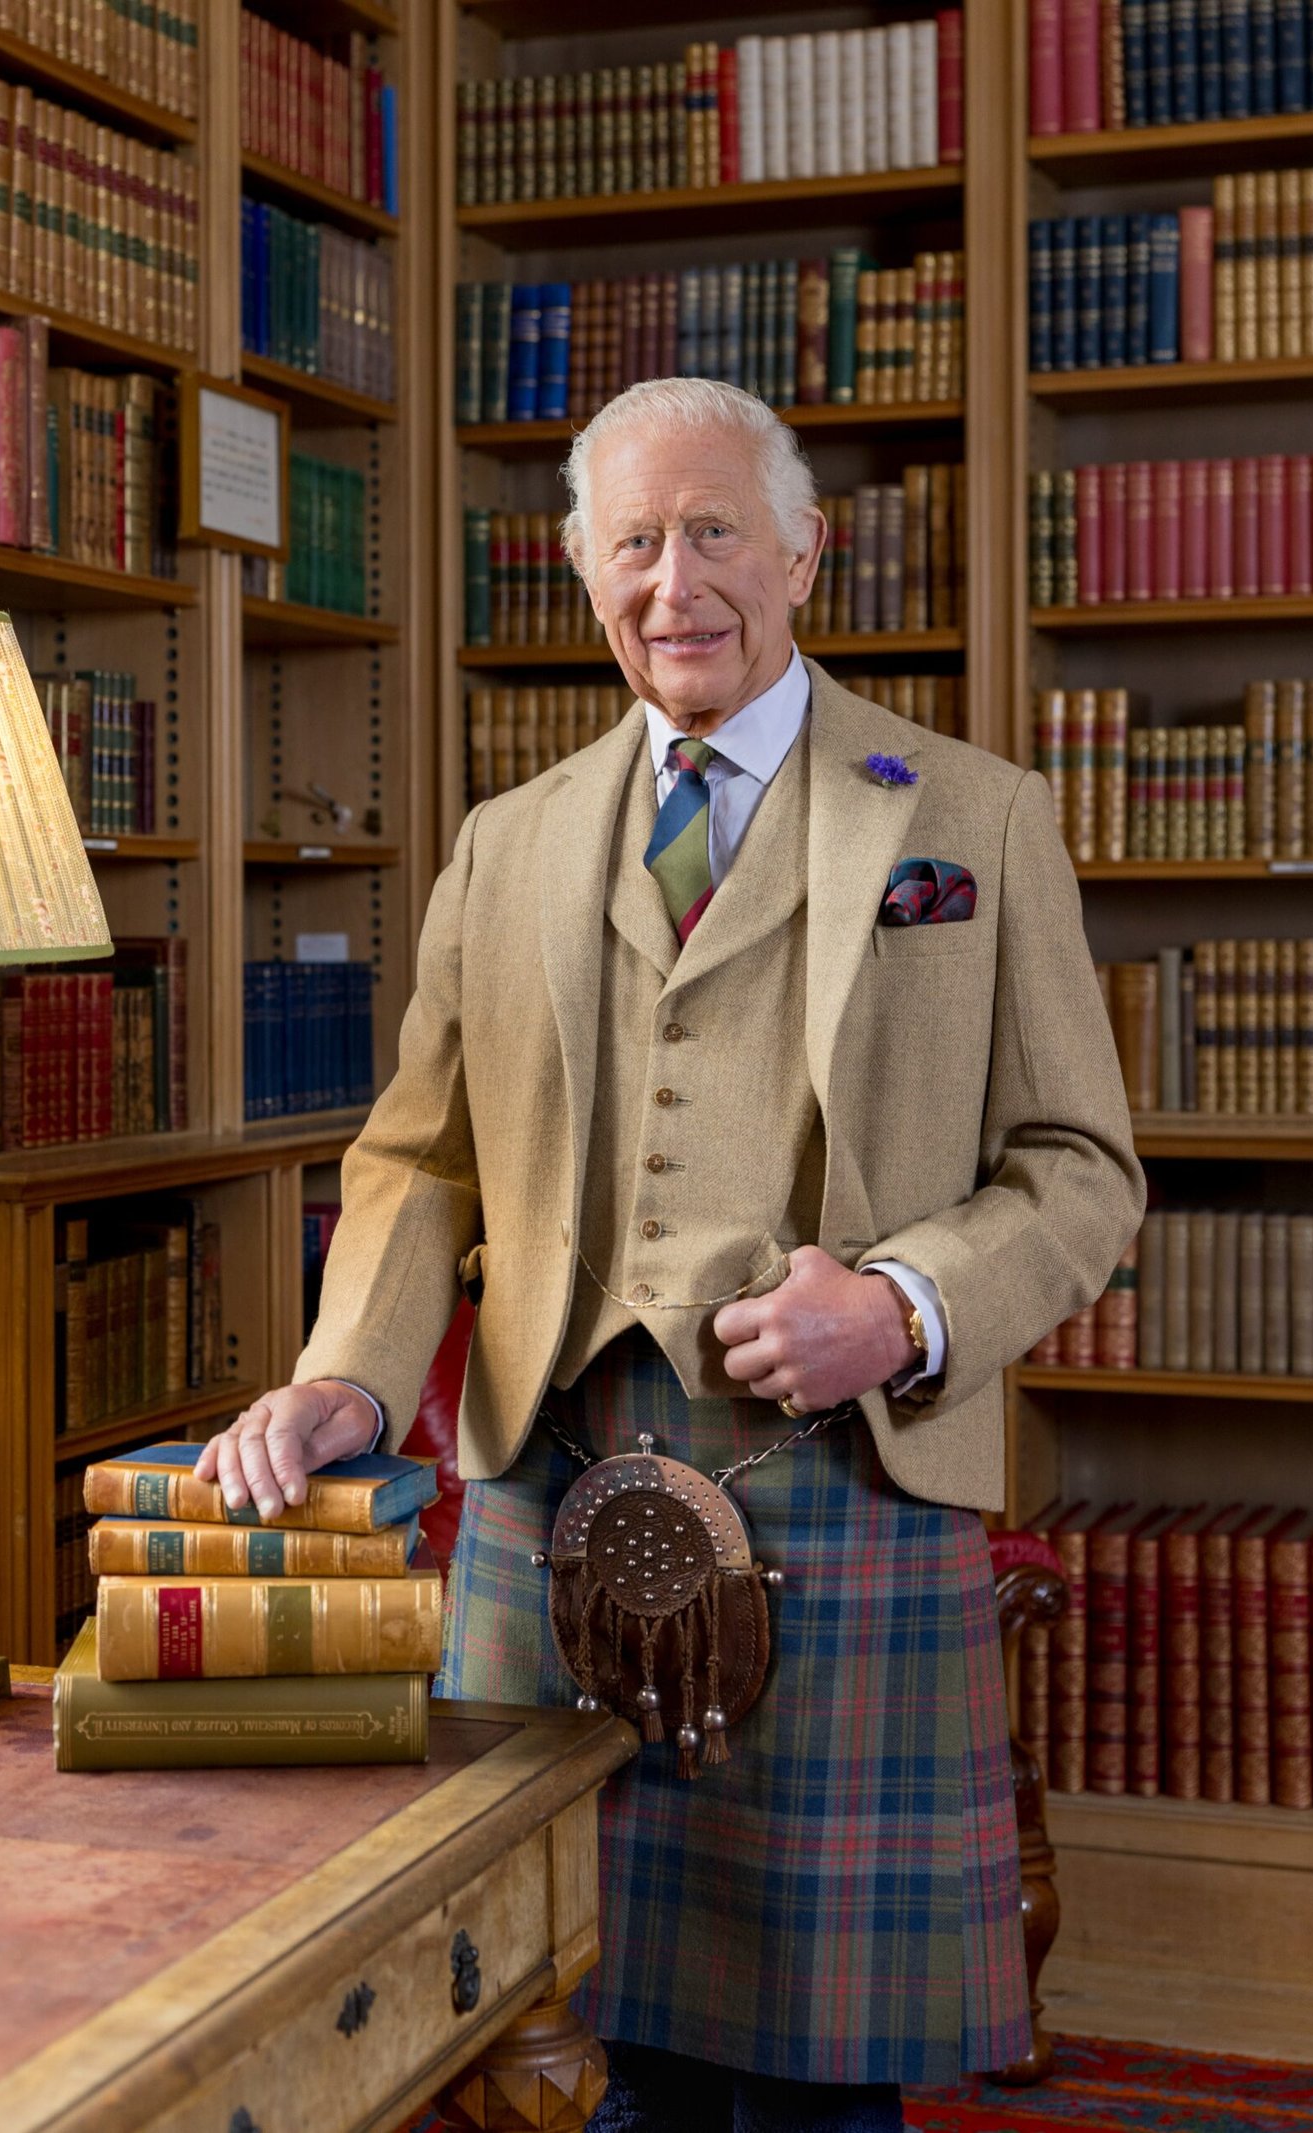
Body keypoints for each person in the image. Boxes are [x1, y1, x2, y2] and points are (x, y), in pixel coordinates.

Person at [195, 378, 1145, 2133]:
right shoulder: (508, 840)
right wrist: (347, 1375)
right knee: (528, 2039)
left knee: (809, 2091)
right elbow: (419, 1158)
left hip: (841, 1484)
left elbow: (1083, 1172)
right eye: (631, 540)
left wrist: (909, 1307)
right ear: (582, 571)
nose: (674, 579)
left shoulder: (970, 815)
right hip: (540, 1490)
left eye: (715, 530)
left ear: (803, 552)